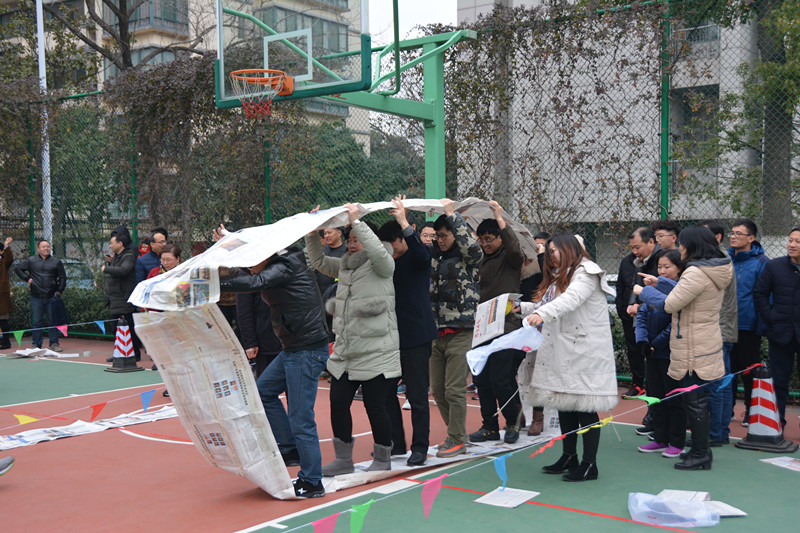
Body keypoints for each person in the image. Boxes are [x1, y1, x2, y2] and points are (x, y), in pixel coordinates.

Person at [217, 225, 330, 499]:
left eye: (250, 261)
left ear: (265, 255)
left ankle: (312, 481)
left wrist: (211, 283)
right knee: (264, 391)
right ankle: (290, 448)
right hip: (293, 347)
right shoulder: (277, 262)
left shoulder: (285, 266)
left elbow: (254, 282)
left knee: (301, 418)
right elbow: (253, 269)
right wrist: (231, 241)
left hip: (306, 350)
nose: (248, 267)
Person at [306, 204, 401, 474]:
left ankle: (382, 458)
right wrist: (312, 232)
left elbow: (379, 253)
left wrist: (357, 222)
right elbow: (319, 261)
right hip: (347, 350)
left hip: (376, 350)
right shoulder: (345, 267)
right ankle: (344, 459)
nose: (351, 243)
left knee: (375, 406)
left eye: (357, 239)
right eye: (349, 240)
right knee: (338, 401)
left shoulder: (382, 265)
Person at [521, 234, 618, 481]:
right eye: (549, 251)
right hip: (566, 349)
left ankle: (589, 464)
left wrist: (542, 314)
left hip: (584, 353)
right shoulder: (563, 275)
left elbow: (569, 300)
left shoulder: (586, 272)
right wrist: (519, 308)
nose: (551, 255)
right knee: (564, 405)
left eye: (555, 250)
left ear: (570, 249)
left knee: (585, 408)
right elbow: (547, 304)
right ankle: (569, 456)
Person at [635, 226, 733, 471]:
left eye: (682, 244)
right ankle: (700, 449)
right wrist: (662, 281)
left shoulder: (695, 272)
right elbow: (686, 294)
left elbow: (671, 304)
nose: (679, 248)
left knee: (694, 401)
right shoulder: (715, 268)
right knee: (696, 399)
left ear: (692, 246)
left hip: (692, 345)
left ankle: (700, 453)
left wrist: (645, 292)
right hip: (705, 340)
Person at [378, 196, 438, 467]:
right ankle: (396, 442)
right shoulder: (386, 265)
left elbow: (423, 254)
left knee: (416, 396)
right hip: (390, 338)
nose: (387, 249)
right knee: (385, 392)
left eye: (391, 243)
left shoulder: (416, 259)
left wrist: (404, 222)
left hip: (415, 338)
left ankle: (420, 447)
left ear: (402, 240)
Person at [469, 201, 531, 445]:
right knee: (481, 379)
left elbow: (514, 248)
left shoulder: (510, 258)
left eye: (489, 239)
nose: (484, 244)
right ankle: (489, 427)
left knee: (501, 378)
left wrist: (500, 218)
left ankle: (513, 421)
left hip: (507, 326)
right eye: (481, 239)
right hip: (482, 326)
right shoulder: (480, 261)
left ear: (500, 238)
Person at [429, 199, 483, 458]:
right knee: (438, 391)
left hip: (461, 330)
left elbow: (472, 247)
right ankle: (456, 434)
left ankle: (457, 439)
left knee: (454, 389)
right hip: (436, 331)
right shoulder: (435, 258)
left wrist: (452, 215)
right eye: (437, 236)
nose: (440, 240)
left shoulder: (468, 258)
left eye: (444, 235)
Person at [634, 250, 686, 459]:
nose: (662, 271)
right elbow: (642, 315)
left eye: (667, 267)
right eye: (660, 267)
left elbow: (676, 322)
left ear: (679, 268)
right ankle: (660, 438)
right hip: (652, 354)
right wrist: (643, 341)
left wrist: (656, 343)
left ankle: (677, 442)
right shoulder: (652, 289)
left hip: (670, 354)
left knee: (674, 399)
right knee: (655, 398)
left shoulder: (681, 290)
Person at [753, 227, 800, 428]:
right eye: (790, 240)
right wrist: (770, 317)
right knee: (779, 381)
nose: (792, 245)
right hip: (780, 333)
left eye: (797, 241)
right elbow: (760, 293)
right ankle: (776, 425)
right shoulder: (775, 266)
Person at [727, 218, 769, 426]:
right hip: (725, 325)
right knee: (727, 370)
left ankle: (751, 410)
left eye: (739, 234)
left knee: (749, 370)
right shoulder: (724, 260)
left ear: (751, 238)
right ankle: (727, 410)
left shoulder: (762, 263)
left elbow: (765, 295)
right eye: (732, 233)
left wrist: (761, 324)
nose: (733, 237)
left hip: (748, 326)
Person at [701, 220, 738, 446]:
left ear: (717, 238)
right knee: (720, 383)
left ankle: (716, 433)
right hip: (720, 329)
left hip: (718, 331)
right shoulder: (720, 259)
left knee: (716, 384)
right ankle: (719, 432)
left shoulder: (717, 261)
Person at [624, 227, 665, 399]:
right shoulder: (637, 262)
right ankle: (652, 408)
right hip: (643, 317)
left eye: (637, 247)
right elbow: (635, 288)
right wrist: (632, 308)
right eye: (632, 248)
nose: (635, 252)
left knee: (660, 374)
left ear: (651, 242)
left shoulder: (662, 259)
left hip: (659, 321)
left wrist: (640, 308)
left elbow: (663, 298)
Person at [14, 240, 67, 352]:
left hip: (52, 296)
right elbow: (18, 269)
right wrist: (27, 279)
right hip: (36, 297)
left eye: (48, 246)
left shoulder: (56, 262)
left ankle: (54, 343)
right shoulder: (31, 260)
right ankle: (36, 345)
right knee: (37, 322)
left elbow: (63, 277)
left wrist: (59, 291)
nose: (46, 248)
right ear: (38, 249)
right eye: (43, 247)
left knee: (53, 321)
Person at [102, 226, 142, 362]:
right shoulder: (116, 257)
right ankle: (119, 354)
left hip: (124, 298)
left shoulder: (129, 255)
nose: (110, 245)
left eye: (112, 243)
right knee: (116, 329)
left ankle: (134, 353)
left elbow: (124, 270)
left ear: (120, 243)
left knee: (128, 328)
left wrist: (107, 269)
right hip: (115, 299)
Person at [0, 237, 14, 350]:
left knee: (3, 320)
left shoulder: (3, 263)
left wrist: (7, 246)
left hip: (2, 297)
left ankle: (6, 342)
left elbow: (10, 259)